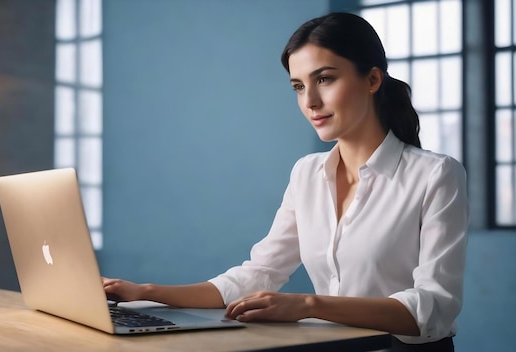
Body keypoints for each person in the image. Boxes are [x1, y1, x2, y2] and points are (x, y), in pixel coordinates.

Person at [103, 12, 469, 351]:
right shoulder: (306, 174)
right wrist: (146, 292)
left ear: (372, 79)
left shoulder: (436, 174)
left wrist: (308, 304)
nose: (310, 101)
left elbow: (434, 307)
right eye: (298, 86)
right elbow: (259, 274)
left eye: (324, 79)